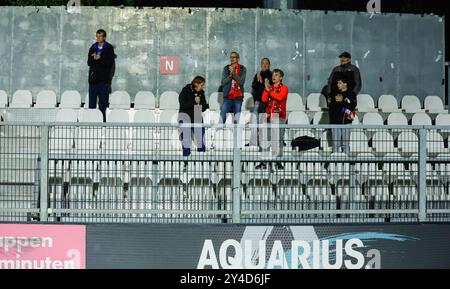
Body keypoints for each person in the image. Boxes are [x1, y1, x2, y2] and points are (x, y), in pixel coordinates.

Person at [255, 69, 288, 170]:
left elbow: (279, 97)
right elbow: (264, 99)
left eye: (276, 75)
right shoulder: (270, 87)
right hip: (269, 117)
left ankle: (278, 162)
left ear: (281, 78)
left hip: (279, 116)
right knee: (266, 140)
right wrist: (266, 88)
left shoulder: (284, 88)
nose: (274, 77)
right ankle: (264, 162)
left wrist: (269, 91)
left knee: (278, 140)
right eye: (273, 75)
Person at [87, 29, 115, 122]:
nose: (98, 38)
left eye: (100, 36)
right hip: (93, 80)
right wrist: (94, 58)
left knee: (102, 105)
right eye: (97, 36)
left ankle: (102, 123)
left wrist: (100, 58)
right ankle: (91, 122)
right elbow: (89, 62)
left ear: (104, 37)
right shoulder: (93, 47)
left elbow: (109, 63)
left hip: (103, 81)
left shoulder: (109, 48)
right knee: (92, 104)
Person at [178, 76, 209, 157]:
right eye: (201, 85)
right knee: (186, 139)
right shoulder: (185, 91)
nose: (202, 87)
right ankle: (186, 159)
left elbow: (204, 107)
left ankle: (202, 159)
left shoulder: (201, 93)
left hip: (197, 115)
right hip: (185, 116)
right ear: (196, 83)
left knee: (200, 139)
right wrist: (194, 101)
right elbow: (183, 105)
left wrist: (200, 104)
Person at [247, 57, 272, 146]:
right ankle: (253, 143)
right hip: (258, 102)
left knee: (264, 124)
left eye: (266, 63)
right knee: (254, 122)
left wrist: (261, 81)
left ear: (269, 65)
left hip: (267, 103)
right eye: (263, 63)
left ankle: (263, 143)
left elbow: (269, 88)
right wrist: (258, 80)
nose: (264, 65)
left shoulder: (271, 75)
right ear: (261, 65)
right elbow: (254, 86)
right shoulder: (257, 75)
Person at [329, 77, 357, 154]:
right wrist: (341, 104)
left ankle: (346, 162)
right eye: (337, 83)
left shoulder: (351, 94)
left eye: (340, 83)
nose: (338, 85)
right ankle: (335, 163)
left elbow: (352, 106)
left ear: (345, 84)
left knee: (346, 144)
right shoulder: (334, 93)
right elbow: (332, 107)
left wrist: (342, 101)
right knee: (335, 144)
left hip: (346, 122)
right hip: (335, 122)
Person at [219, 51, 247, 124]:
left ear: (238, 59)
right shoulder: (226, 68)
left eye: (234, 57)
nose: (232, 59)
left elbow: (241, 82)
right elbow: (223, 82)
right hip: (227, 97)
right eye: (231, 57)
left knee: (236, 120)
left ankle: (236, 134)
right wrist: (230, 76)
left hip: (238, 97)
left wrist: (234, 74)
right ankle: (218, 133)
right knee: (222, 118)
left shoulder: (243, 69)